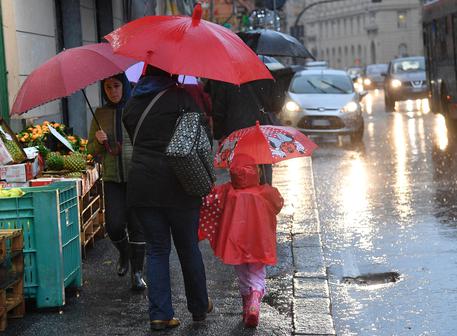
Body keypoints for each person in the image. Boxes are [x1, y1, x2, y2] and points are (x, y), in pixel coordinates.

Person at [122, 65, 212, 332]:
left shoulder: (132, 102)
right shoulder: (182, 98)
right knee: (187, 247)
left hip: (143, 186)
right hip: (180, 183)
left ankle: (160, 314)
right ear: (171, 73)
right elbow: (201, 137)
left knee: (157, 249)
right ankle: (198, 305)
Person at [199, 154, 284, 328]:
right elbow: (278, 204)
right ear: (256, 171)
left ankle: (246, 307)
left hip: (235, 242)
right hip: (259, 241)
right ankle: (254, 301)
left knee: (243, 274)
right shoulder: (265, 191)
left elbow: (210, 200)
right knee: (257, 273)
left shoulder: (228, 190)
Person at [87, 73, 146, 291]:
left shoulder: (135, 109)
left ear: (124, 86)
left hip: (136, 177)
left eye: (116, 86)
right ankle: (124, 253)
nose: (113, 91)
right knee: (114, 226)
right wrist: (98, 141)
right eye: (108, 87)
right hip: (112, 179)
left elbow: (146, 140)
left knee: (137, 225)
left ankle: (138, 273)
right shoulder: (100, 114)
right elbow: (90, 151)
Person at [206, 79, 281, 184]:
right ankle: (264, 194)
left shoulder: (226, 79)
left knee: (241, 170)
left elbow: (219, 110)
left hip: (236, 131)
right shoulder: (263, 75)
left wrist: (219, 134)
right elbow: (276, 104)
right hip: (259, 128)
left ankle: (246, 198)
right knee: (263, 163)